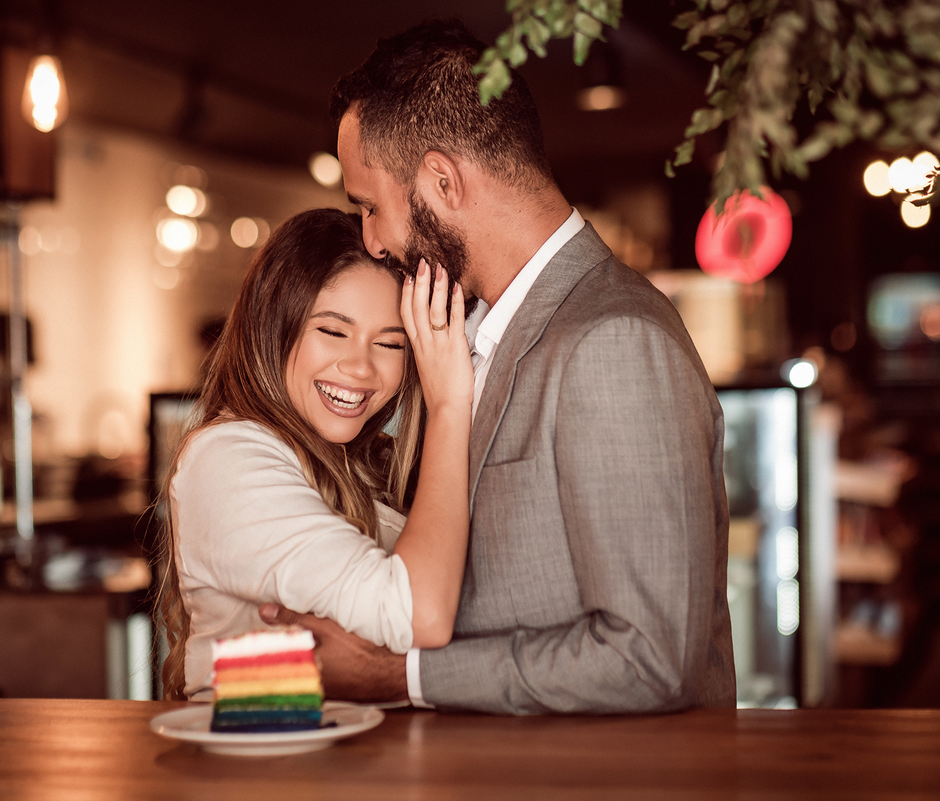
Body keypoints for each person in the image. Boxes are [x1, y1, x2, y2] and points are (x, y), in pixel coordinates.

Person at [260, 20, 736, 714]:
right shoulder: (461, 331)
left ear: (443, 180)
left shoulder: (614, 339)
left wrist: (400, 676)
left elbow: (650, 657)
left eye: (370, 206)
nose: (371, 240)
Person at [156, 208, 473, 700]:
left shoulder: (368, 463)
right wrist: (451, 403)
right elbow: (420, 614)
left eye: (390, 344)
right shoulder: (224, 457)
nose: (361, 367)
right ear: (273, 327)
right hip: (265, 748)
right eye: (332, 331)